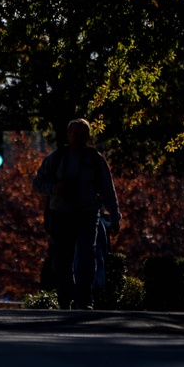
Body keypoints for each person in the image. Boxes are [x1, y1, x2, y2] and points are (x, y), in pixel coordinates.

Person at [33, 119, 121, 310]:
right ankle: (65, 299)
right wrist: (53, 188)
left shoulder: (95, 161)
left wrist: (114, 217)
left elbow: (108, 190)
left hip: (87, 215)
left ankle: (84, 300)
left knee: (86, 257)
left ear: (88, 137)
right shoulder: (54, 159)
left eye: (83, 133)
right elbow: (37, 183)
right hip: (60, 215)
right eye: (75, 133)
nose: (79, 137)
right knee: (62, 260)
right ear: (68, 135)